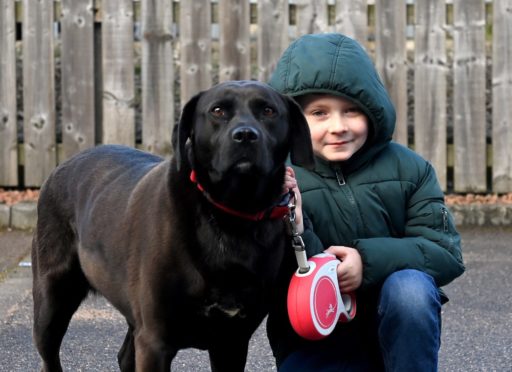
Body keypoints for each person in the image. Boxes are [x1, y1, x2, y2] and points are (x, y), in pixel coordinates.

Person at [270, 33, 465, 371]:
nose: (338, 127)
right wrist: (296, 227)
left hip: (393, 335)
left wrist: (366, 263)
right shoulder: (280, 178)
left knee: (411, 289)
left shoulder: (410, 170)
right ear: (292, 118)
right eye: (319, 113)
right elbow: (267, 277)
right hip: (315, 339)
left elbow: (445, 252)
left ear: (372, 111)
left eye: (352, 111)